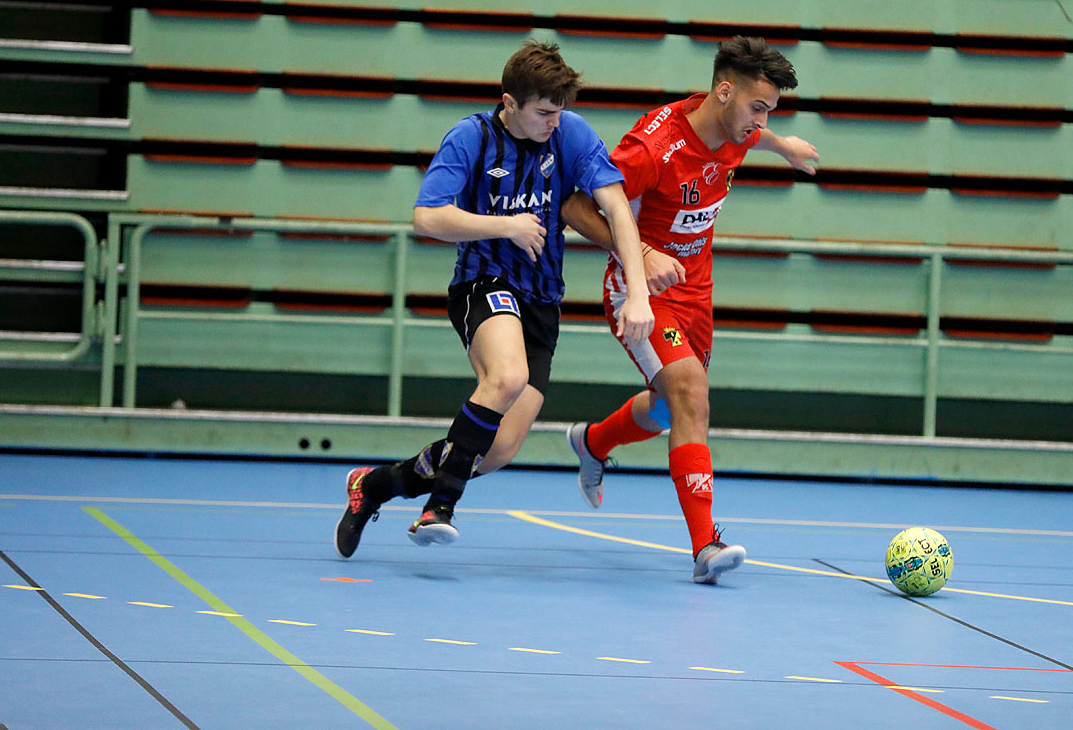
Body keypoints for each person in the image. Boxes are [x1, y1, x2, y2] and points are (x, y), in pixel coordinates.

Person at [335, 39, 653, 557]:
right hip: (482, 284)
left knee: (498, 450)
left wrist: (637, 292)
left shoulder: (570, 134)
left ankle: (374, 487)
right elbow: (428, 216)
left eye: (561, 111)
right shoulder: (471, 137)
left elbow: (617, 210)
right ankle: (440, 506)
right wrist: (504, 226)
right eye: (544, 112)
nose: (555, 121)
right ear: (510, 102)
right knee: (506, 378)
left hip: (543, 300)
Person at [559, 35, 819, 584]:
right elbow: (575, 207)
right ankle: (706, 546)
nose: (761, 121)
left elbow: (754, 132)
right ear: (724, 92)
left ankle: (592, 441)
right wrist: (643, 253)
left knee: (667, 407)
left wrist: (783, 144)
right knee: (691, 396)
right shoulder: (653, 148)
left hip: (696, 292)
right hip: (641, 290)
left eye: (769, 112)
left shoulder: (735, 127)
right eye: (758, 108)